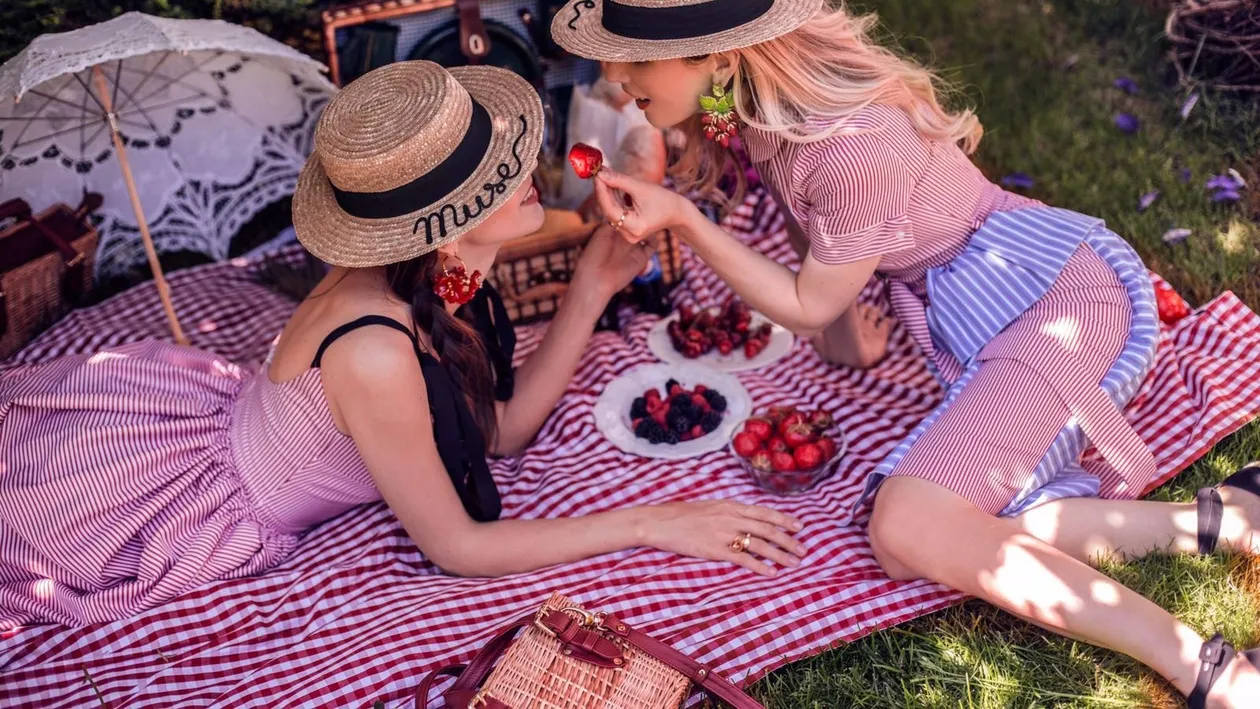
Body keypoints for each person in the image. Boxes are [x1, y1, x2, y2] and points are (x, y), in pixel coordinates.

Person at [549, 1, 1260, 705]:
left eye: (637, 58)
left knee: (908, 523)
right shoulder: (759, 110)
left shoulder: (850, 147)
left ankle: (1207, 666)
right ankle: (1224, 518)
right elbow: (811, 237)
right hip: (991, 313)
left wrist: (683, 220)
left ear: (722, 57)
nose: (614, 75)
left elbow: (806, 301)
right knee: (909, 539)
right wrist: (849, 346)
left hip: (1057, 302)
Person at [0, 61, 805, 629]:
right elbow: (457, 545)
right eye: (494, 175)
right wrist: (653, 522)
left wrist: (591, 285)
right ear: (442, 223)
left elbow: (504, 425)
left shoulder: (444, 277)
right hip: (182, 504)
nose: (529, 166)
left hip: (194, 429)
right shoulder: (378, 351)